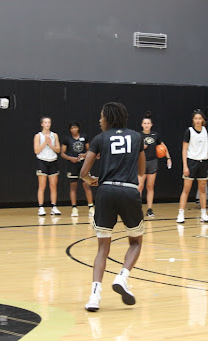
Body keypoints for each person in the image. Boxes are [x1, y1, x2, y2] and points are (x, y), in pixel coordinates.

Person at [80, 102, 146, 312]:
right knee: (135, 242)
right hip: (128, 190)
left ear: (109, 118)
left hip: (106, 191)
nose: (99, 120)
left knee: (102, 248)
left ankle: (94, 297)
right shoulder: (137, 137)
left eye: (101, 117)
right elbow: (142, 170)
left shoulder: (100, 139)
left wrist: (92, 180)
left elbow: (84, 173)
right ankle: (122, 276)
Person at [176, 109, 208, 224]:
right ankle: (181, 214)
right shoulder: (189, 131)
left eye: (199, 118)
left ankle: (204, 214)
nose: (198, 120)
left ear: (203, 120)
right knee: (186, 189)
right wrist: (185, 166)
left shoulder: (205, 131)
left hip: (203, 162)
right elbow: (184, 150)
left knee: (203, 190)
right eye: (196, 118)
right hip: (191, 161)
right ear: (193, 120)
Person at [138, 111, 172, 218]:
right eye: (145, 123)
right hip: (142, 162)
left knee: (150, 186)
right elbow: (134, 150)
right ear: (142, 125)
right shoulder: (138, 135)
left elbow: (163, 146)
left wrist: (168, 158)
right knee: (140, 186)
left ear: (151, 125)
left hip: (153, 162)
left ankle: (149, 209)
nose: (147, 125)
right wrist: (141, 147)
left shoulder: (155, 135)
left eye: (148, 123)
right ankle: (138, 209)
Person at [60, 121, 95, 217]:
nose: (74, 129)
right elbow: (62, 153)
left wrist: (84, 156)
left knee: (87, 185)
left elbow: (90, 150)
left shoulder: (84, 137)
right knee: (73, 186)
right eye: (72, 128)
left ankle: (91, 208)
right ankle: (74, 208)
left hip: (84, 164)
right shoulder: (67, 139)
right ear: (70, 129)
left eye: (75, 127)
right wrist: (71, 158)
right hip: (72, 165)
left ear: (78, 128)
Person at [34, 116, 62, 216]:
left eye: (49, 122)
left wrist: (50, 145)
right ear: (42, 124)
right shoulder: (38, 136)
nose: (47, 124)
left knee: (53, 186)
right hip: (42, 161)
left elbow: (58, 150)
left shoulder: (54, 135)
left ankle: (54, 206)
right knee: (42, 186)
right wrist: (45, 143)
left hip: (53, 161)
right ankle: (41, 207)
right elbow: (36, 150)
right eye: (45, 122)